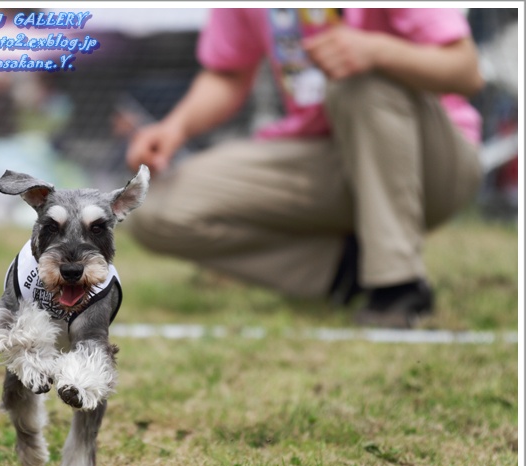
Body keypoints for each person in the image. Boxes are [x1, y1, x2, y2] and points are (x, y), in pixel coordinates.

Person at [126, 8, 484, 328]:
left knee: (356, 82)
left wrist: (375, 50)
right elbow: (228, 74)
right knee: (154, 209)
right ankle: (348, 271)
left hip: (430, 164)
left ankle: (398, 286)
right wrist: (175, 127)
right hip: (323, 154)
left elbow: (467, 70)